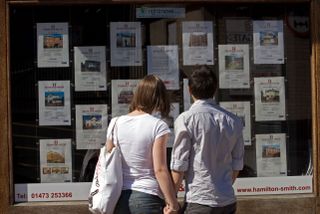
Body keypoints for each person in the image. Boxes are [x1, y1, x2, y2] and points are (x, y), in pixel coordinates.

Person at [170, 66, 244, 214]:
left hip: (199, 199)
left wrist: (171, 201)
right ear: (215, 89)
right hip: (227, 200)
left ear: (189, 90)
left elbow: (179, 164)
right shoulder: (233, 120)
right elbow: (237, 163)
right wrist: (223, 186)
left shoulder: (186, 119)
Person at [106, 75, 180, 214]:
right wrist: (172, 203)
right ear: (159, 98)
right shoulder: (158, 126)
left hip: (119, 197)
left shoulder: (115, 123)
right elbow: (160, 170)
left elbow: (109, 161)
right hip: (148, 196)